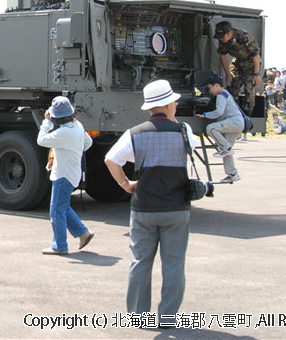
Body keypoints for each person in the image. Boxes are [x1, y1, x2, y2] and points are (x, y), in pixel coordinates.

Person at [104, 79, 191, 318]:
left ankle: (138, 314)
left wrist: (125, 184)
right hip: (176, 207)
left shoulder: (134, 134)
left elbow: (111, 160)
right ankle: (168, 315)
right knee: (173, 264)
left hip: (144, 207)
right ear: (169, 104)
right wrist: (174, 122)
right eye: (174, 101)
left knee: (140, 262)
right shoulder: (184, 131)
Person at [36, 96, 94, 255]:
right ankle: (83, 233)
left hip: (63, 175)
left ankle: (59, 245)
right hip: (73, 172)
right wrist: (73, 150)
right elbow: (88, 143)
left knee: (56, 210)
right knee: (62, 207)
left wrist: (46, 122)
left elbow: (41, 140)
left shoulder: (63, 133)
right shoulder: (78, 126)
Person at [197, 74, 243, 183]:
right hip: (237, 124)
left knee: (211, 128)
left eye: (210, 88)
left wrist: (205, 114)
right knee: (227, 152)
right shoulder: (226, 94)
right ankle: (232, 174)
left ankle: (226, 148)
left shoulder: (221, 95)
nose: (210, 90)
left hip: (233, 122)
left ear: (217, 85)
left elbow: (219, 112)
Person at [214, 20, 261, 115]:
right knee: (232, 86)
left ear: (230, 33)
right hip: (237, 63)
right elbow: (223, 56)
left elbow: (255, 55)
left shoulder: (243, 36)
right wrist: (228, 74)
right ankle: (233, 111)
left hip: (251, 64)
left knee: (248, 88)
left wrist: (256, 74)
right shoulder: (223, 40)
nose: (221, 39)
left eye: (223, 36)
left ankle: (248, 114)